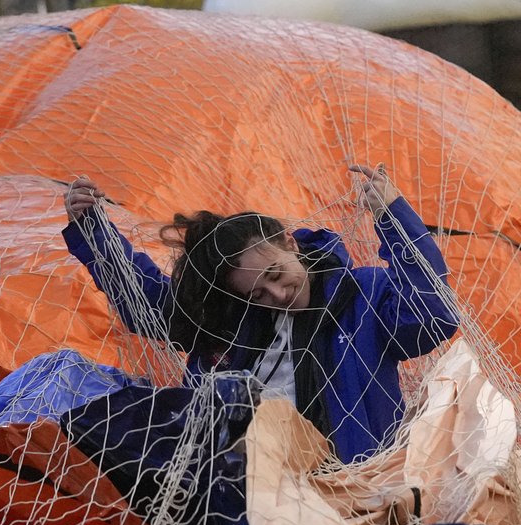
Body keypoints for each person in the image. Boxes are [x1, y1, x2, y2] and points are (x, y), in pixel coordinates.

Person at [62, 164, 460, 463]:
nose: (277, 294)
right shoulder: (232, 318)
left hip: (348, 481)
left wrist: (394, 217)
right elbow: (147, 304)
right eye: (258, 293)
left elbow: (431, 318)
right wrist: (94, 230)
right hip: (239, 477)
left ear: (291, 244)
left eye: (276, 274)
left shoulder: (363, 293)